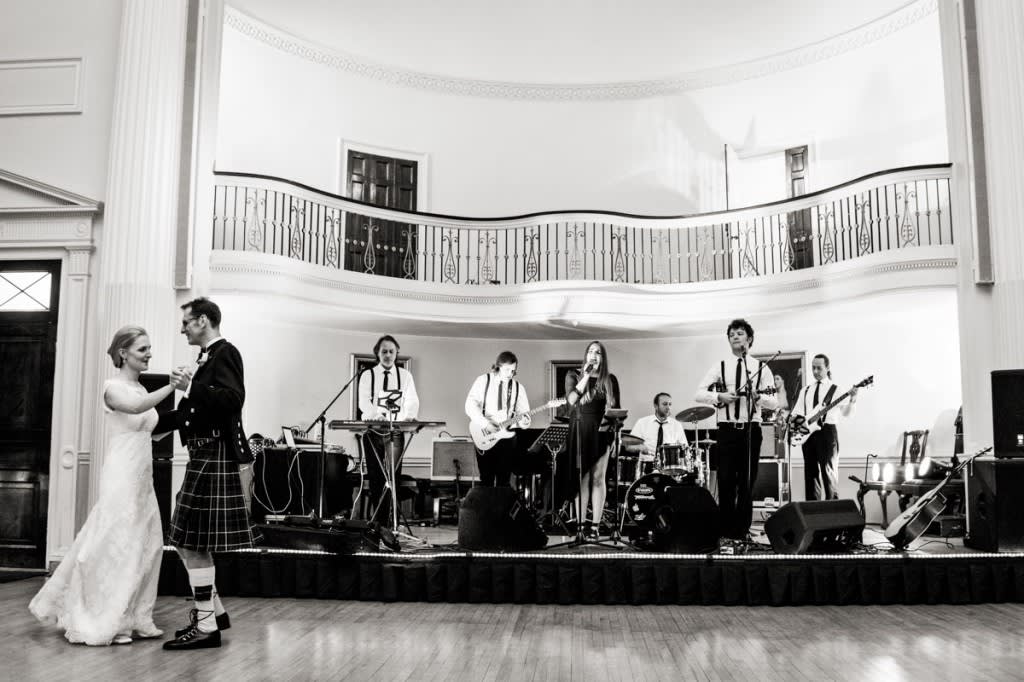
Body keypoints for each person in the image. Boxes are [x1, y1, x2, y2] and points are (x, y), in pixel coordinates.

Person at [29, 326, 178, 645]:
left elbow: (149, 429)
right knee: (117, 544)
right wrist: (173, 386)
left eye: (150, 348)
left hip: (142, 476)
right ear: (123, 353)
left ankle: (140, 616)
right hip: (121, 474)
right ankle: (110, 618)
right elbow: (136, 410)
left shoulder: (140, 389)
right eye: (142, 349)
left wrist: (184, 418)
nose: (149, 353)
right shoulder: (113, 388)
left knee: (149, 546)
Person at [160, 297, 261, 651]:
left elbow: (233, 399)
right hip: (203, 453)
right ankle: (213, 615)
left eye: (186, 322)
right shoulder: (205, 358)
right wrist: (150, 422)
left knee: (192, 542)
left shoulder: (225, 352)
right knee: (186, 539)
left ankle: (206, 627)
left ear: (203, 321)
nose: (182, 328)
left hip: (215, 453)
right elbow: (192, 413)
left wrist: (191, 387)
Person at [695, 319, 778, 540]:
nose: (735, 336)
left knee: (747, 482)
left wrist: (759, 397)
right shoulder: (720, 365)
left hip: (751, 430)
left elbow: (775, 402)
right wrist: (718, 396)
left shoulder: (762, 368)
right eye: (731, 333)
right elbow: (699, 393)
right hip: (726, 430)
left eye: (740, 333)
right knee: (725, 480)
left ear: (749, 339)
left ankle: (741, 531)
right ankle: (725, 531)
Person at [357, 335, 420, 521]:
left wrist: (408, 417)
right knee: (376, 477)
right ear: (377, 353)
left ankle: (393, 522)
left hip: (395, 432)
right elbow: (363, 402)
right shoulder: (367, 375)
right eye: (384, 351)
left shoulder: (405, 376)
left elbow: (412, 400)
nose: (388, 355)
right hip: (374, 430)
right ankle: (379, 522)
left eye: (391, 351)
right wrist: (376, 416)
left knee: (393, 477)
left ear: (396, 354)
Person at [560, 341, 620, 540]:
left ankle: (595, 526)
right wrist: (586, 375)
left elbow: (616, 410)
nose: (594, 355)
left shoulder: (610, 380)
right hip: (579, 429)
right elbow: (571, 400)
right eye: (591, 351)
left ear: (603, 357)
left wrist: (614, 434)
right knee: (581, 479)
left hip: (602, 431)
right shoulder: (573, 375)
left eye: (598, 352)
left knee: (597, 478)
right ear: (586, 355)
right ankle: (581, 526)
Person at [789, 354, 857, 501]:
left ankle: (832, 513)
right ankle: (813, 513)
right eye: (813, 368)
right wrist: (795, 427)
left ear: (827, 368)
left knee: (828, 472)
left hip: (827, 432)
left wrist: (853, 400)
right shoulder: (805, 390)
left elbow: (846, 414)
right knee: (810, 473)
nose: (815, 371)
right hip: (808, 433)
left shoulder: (836, 389)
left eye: (819, 368)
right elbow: (797, 414)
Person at [465, 351, 531, 487]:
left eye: (513, 371)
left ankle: (502, 508)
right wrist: (485, 424)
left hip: (507, 438)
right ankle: (487, 508)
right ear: (498, 366)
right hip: (484, 433)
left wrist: (525, 422)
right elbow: (469, 406)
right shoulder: (483, 380)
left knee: (504, 479)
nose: (510, 374)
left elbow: (524, 413)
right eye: (507, 370)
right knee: (486, 478)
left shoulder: (519, 387)